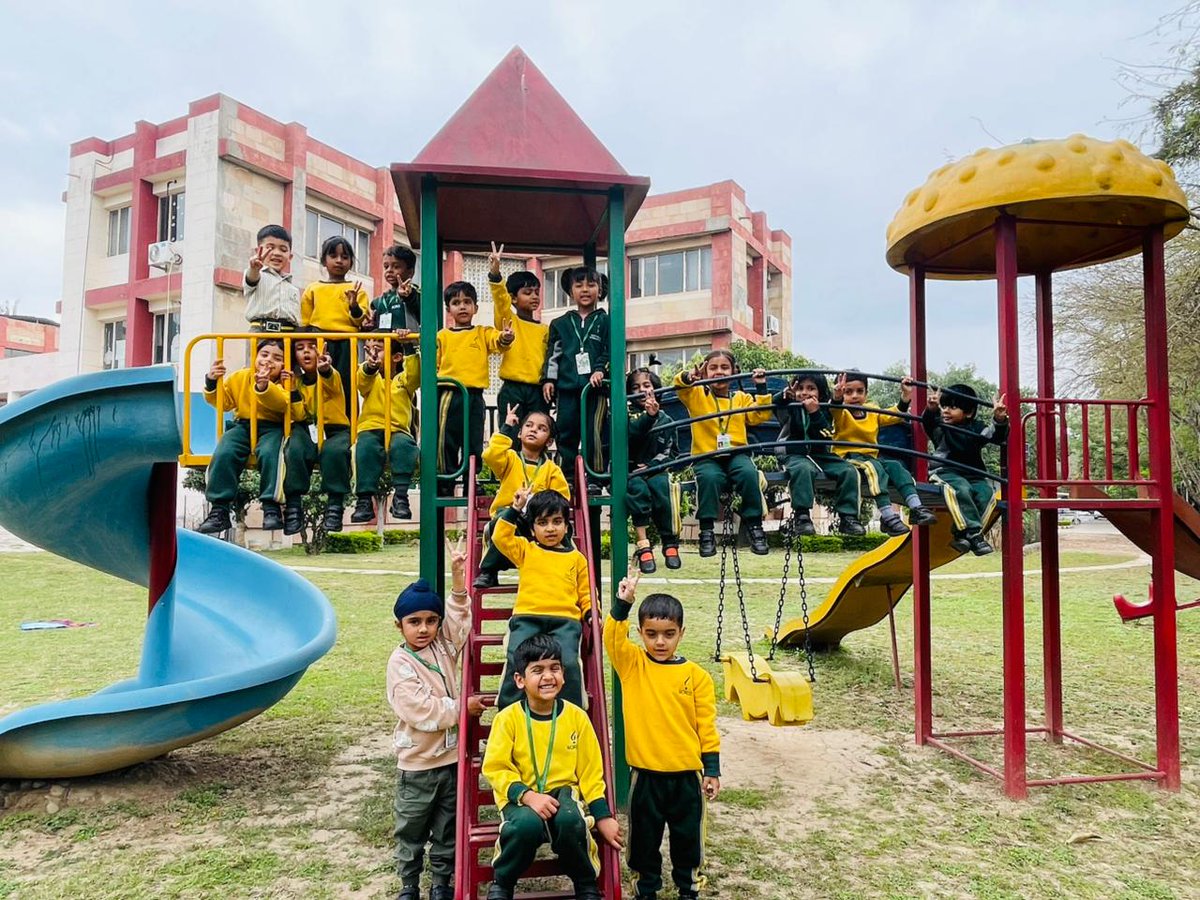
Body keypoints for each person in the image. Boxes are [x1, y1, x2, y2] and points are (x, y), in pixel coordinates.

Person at [480, 634, 623, 900]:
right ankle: (503, 882)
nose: (548, 676)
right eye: (537, 670)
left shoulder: (577, 717)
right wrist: (527, 795)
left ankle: (585, 882)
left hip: (562, 792)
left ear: (564, 675)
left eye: (554, 668)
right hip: (520, 796)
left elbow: (591, 772)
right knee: (525, 826)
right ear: (520, 680)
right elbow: (496, 767)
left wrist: (603, 816)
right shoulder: (507, 719)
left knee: (571, 820)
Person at [605, 569, 719, 900]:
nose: (659, 642)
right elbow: (612, 638)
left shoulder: (697, 676)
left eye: (669, 634)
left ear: (681, 632)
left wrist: (712, 769)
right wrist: (623, 604)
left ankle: (689, 888)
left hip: (686, 777)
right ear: (640, 632)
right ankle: (646, 889)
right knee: (643, 840)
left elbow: (706, 725)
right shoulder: (632, 665)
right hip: (645, 776)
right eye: (651, 634)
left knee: (688, 840)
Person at [387, 536, 487, 900]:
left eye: (431, 621)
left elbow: (459, 621)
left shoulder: (443, 645)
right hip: (417, 764)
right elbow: (420, 710)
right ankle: (409, 885)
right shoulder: (400, 662)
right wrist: (462, 709)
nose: (424, 628)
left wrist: (458, 579)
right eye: (414, 622)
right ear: (399, 625)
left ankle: (441, 883)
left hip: (449, 760)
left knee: (447, 828)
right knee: (412, 828)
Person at [491, 487, 590, 710]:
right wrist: (515, 508)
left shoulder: (577, 559)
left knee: (568, 662)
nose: (550, 528)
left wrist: (592, 613)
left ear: (566, 526)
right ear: (532, 529)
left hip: (565, 621)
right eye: (542, 523)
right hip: (527, 617)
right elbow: (500, 537)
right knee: (516, 657)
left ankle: (572, 711)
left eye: (557, 521)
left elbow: (586, 593)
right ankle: (508, 710)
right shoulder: (526, 550)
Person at [672, 349, 775, 557]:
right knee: (709, 478)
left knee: (749, 473)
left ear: (734, 371)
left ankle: (755, 527)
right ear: (704, 372)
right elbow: (679, 385)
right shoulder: (696, 394)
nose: (719, 372)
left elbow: (760, 416)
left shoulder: (741, 398)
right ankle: (707, 531)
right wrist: (689, 377)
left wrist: (761, 387)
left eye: (725, 367)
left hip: (736, 454)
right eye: (713, 368)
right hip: (707, 456)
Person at [197, 339, 292, 535]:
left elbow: (282, 404)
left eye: (277, 358)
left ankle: (271, 507)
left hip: (272, 427)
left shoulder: (286, 381)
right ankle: (219, 510)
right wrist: (211, 381)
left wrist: (264, 387)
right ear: (255, 357)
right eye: (264, 355)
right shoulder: (241, 377)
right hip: (242, 425)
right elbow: (224, 403)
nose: (268, 360)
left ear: (284, 364)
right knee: (224, 452)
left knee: (271, 453)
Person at [473, 405, 569, 590]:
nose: (533, 430)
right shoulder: (510, 458)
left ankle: (559, 568)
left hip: (537, 519)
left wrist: (538, 501)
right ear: (519, 433)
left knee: (556, 528)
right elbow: (491, 455)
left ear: (549, 441)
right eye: (529, 425)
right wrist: (506, 427)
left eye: (541, 428)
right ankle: (489, 571)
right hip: (510, 513)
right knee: (502, 522)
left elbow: (561, 497)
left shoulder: (552, 469)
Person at [830, 371, 937, 537]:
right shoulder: (841, 413)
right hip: (848, 457)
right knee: (875, 469)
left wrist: (905, 396)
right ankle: (888, 515)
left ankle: (916, 507)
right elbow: (834, 409)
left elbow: (893, 416)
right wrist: (836, 396)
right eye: (848, 392)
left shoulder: (872, 410)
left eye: (860, 391)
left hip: (871, 457)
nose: (854, 396)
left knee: (896, 467)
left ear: (866, 394)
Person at [436, 281, 514, 493]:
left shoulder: (482, 332)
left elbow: (498, 341)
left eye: (467, 302)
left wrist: (506, 336)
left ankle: (471, 480)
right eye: (456, 303)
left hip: (475, 395)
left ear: (475, 308)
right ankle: (445, 480)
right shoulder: (443, 336)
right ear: (448, 309)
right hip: (450, 394)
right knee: (447, 439)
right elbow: (434, 364)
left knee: (474, 439)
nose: (462, 306)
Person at [774, 371, 866, 536]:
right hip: (793, 454)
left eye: (811, 388)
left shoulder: (823, 410)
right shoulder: (789, 407)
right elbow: (775, 403)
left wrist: (814, 413)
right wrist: (785, 395)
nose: (804, 393)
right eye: (800, 388)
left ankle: (848, 517)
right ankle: (802, 516)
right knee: (803, 469)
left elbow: (826, 434)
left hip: (819, 455)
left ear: (820, 393)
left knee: (849, 470)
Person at [921, 384, 1009, 555]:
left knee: (986, 493)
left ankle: (962, 534)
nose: (946, 411)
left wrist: (999, 419)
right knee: (961, 489)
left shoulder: (977, 428)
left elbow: (995, 437)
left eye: (953, 407)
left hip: (973, 474)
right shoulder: (941, 427)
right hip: (945, 471)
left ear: (968, 413)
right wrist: (931, 409)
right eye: (944, 406)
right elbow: (928, 423)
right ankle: (974, 534)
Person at [542, 266, 610, 482]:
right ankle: (566, 478)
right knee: (565, 432)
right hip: (567, 390)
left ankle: (596, 479)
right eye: (579, 285)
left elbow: (610, 351)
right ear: (570, 292)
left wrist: (599, 369)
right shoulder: (560, 324)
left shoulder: (606, 321)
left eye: (591, 285)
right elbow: (553, 354)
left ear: (600, 290)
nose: (585, 289)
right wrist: (549, 380)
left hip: (595, 390)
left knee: (594, 434)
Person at [281, 332, 352, 535]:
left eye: (311, 346)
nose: (306, 352)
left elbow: (332, 383)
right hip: (307, 428)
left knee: (334, 451)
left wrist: (325, 369)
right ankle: (293, 507)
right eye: (300, 348)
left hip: (334, 430)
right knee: (294, 448)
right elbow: (298, 414)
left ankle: (335, 507)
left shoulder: (331, 375)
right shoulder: (296, 382)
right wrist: (292, 390)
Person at [351, 333, 420, 524]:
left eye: (378, 349)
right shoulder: (369, 376)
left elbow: (415, 376)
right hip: (370, 428)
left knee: (404, 446)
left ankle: (401, 496)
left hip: (398, 430)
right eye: (368, 350)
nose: (372, 354)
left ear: (396, 357)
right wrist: (370, 367)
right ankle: (364, 500)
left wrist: (410, 346)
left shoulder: (402, 380)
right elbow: (361, 383)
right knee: (365, 448)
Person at [300, 235, 368, 415]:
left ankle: (349, 423)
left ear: (351, 262)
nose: (339, 261)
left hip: (347, 343)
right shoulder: (313, 288)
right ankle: (319, 421)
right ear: (324, 260)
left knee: (346, 383)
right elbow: (305, 321)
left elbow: (360, 320)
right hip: (320, 342)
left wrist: (353, 305)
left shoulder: (356, 289)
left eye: (345, 257)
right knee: (320, 382)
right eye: (333, 256)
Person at [627, 367, 682, 573]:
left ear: (656, 389)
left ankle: (670, 541)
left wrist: (652, 466)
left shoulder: (666, 419)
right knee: (637, 489)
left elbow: (672, 452)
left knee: (663, 487)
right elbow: (629, 435)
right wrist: (648, 417)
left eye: (647, 385)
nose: (642, 390)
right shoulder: (626, 414)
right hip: (631, 471)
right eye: (636, 387)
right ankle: (643, 544)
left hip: (655, 469)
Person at [487, 241, 550, 421]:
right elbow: (501, 300)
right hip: (512, 388)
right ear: (513, 298)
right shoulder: (508, 319)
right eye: (527, 292)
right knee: (510, 431)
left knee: (537, 431)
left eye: (536, 292)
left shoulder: (545, 329)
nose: (534, 296)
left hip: (537, 390)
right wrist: (495, 275)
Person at [243, 224, 301, 332]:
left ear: (290, 257)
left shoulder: (293, 288)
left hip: (289, 333)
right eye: (270, 248)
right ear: (258, 251)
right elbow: (251, 280)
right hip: (261, 332)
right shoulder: (258, 275)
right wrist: (254, 269)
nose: (277, 253)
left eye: (283, 250)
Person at [367, 244, 421, 333]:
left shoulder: (415, 294)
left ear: (410, 272)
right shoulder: (379, 301)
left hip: (407, 341)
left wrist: (408, 296)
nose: (389, 270)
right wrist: (370, 325)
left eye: (396, 267)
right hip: (386, 342)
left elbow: (420, 311)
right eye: (386, 267)